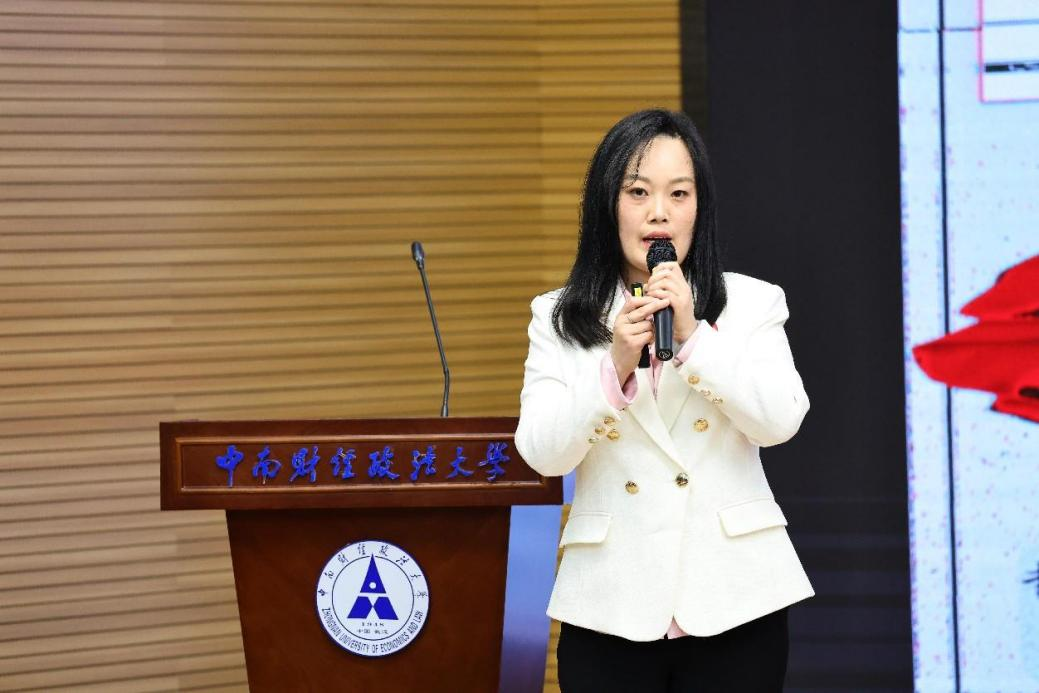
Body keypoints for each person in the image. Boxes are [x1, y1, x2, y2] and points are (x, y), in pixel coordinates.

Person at [514, 109, 813, 692]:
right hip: (610, 603)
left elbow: (780, 420)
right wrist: (613, 369)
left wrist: (696, 339)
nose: (659, 212)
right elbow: (543, 453)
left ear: (700, 206)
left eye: (679, 193)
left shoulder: (752, 304)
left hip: (736, 599)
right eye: (638, 192)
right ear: (608, 205)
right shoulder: (557, 316)